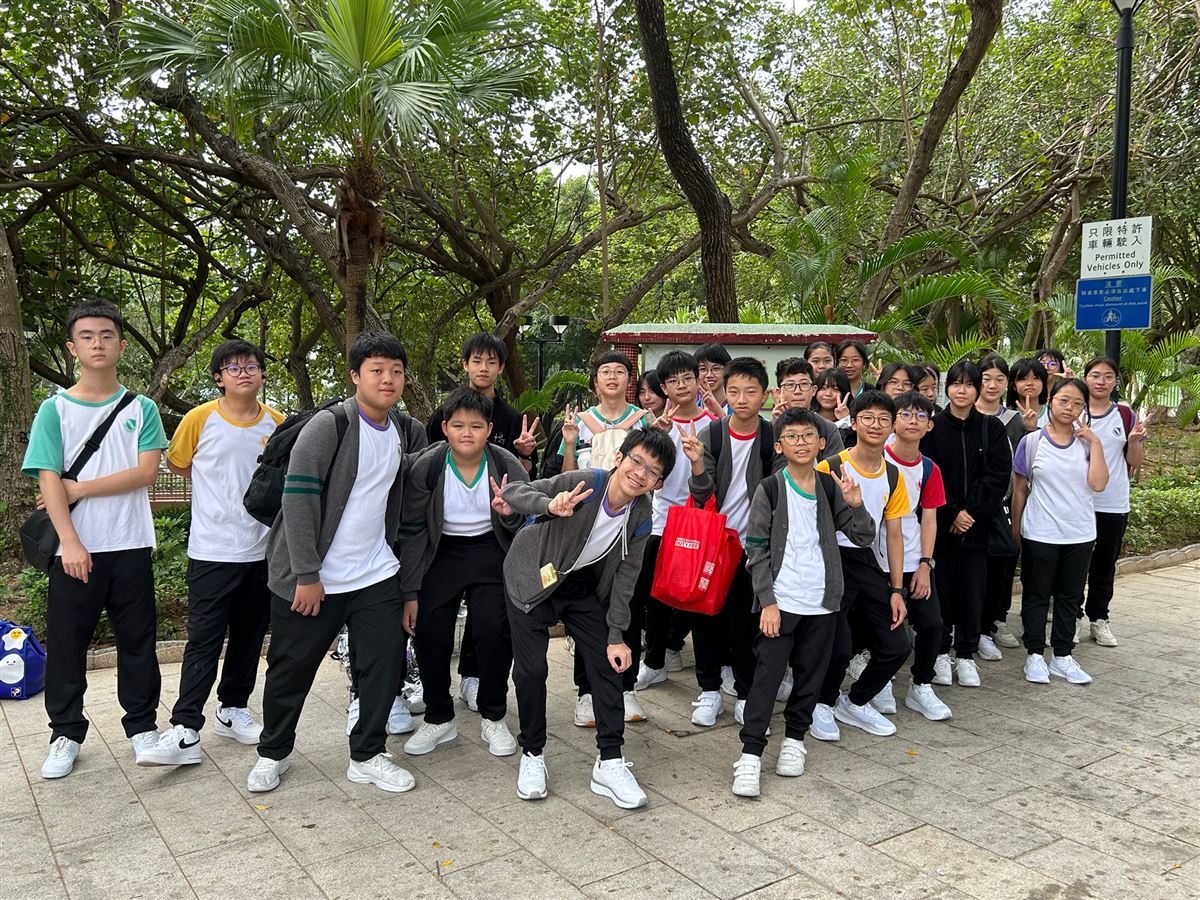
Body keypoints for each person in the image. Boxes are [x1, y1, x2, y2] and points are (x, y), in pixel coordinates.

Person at [248, 331, 417, 794]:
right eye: (377, 370)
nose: (388, 379)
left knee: (383, 665)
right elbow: (298, 499)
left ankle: (367, 754)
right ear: (355, 376)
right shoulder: (330, 425)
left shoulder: (403, 429)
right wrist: (307, 574)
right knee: (291, 668)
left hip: (375, 572)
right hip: (316, 576)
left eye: (396, 371)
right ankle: (273, 752)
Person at [23, 302, 169, 779]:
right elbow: (48, 479)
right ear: (73, 348)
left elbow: (146, 472)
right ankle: (65, 733)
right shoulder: (55, 409)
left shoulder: (141, 408)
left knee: (138, 641)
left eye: (107, 335)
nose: (97, 344)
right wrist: (70, 543)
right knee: (68, 644)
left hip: (130, 543)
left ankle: (142, 727)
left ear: (121, 345)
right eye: (87, 336)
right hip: (75, 549)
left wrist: (81, 487)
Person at [497, 429, 676, 809]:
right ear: (619, 458)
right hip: (530, 577)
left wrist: (616, 635)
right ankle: (532, 753)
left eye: (653, 471)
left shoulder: (641, 515)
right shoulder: (587, 482)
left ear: (658, 483)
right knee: (531, 671)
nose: (641, 474)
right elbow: (515, 492)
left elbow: (626, 580)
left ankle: (609, 761)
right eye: (637, 461)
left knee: (609, 663)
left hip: (578, 586)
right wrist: (550, 505)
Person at [140, 340, 284, 767]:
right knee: (203, 640)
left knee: (249, 636)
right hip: (212, 550)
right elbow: (179, 463)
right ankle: (186, 726)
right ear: (219, 378)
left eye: (251, 366)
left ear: (262, 374)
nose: (244, 373)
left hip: (262, 550)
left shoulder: (276, 423)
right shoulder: (199, 418)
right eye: (233, 368)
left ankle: (232, 708)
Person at [732, 408, 875, 797]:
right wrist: (767, 601)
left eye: (808, 436)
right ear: (779, 446)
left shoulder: (830, 487)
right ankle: (750, 753)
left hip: (823, 602)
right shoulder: (770, 489)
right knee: (767, 677)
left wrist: (856, 503)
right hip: (781, 602)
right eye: (792, 436)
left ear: (821, 443)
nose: (801, 442)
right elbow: (755, 548)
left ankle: (795, 740)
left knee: (811, 676)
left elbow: (863, 537)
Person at [398, 389, 528, 758]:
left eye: (476, 426)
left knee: (493, 631)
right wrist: (410, 591)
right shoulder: (428, 465)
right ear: (444, 428)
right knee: (429, 631)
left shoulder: (505, 463)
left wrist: (508, 514)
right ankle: (439, 718)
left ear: (489, 428)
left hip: (491, 550)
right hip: (442, 553)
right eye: (457, 425)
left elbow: (527, 518)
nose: (466, 433)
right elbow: (412, 531)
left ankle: (494, 715)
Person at [425, 333, 538, 712]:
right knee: (433, 623)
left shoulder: (510, 428)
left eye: (491, 361)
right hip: (444, 544)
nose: (484, 368)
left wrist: (524, 458)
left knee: (491, 622)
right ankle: (435, 704)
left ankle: (482, 691)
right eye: (477, 360)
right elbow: (422, 479)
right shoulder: (439, 426)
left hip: (493, 538)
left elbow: (525, 489)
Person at [684, 357, 775, 726]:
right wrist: (696, 465)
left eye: (750, 392)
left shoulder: (773, 438)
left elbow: (778, 496)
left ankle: (745, 691)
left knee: (746, 624)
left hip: (753, 551)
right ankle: (709, 691)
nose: (741, 399)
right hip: (715, 545)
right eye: (734, 391)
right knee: (706, 618)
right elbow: (701, 494)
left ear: (764, 396)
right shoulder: (713, 435)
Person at [814, 391, 910, 740]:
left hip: (867, 561)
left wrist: (897, 589)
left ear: (893, 426)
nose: (875, 425)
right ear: (853, 423)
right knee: (838, 647)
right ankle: (821, 703)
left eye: (884, 419)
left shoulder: (893, 476)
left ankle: (854, 701)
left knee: (898, 645)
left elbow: (894, 535)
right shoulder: (829, 467)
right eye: (867, 417)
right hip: (830, 560)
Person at [920, 360, 1011, 688]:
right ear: (946, 389)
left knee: (973, 594)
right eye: (956, 384)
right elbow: (926, 474)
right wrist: (952, 513)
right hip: (940, 529)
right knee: (941, 593)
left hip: (977, 529)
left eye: (969, 384)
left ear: (977, 389)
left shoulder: (992, 428)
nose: (962, 390)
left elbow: (998, 477)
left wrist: (971, 514)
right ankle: (940, 653)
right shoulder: (931, 429)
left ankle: (966, 655)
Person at [1011, 378, 1108, 685]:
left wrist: (1096, 443)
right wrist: (1016, 528)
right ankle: (1035, 655)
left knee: (1070, 597)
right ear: (1050, 401)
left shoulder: (1087, 443)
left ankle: (1063, 656)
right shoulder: (1032, 442)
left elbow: (1098, 484)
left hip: (1080, 534)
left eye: (1078, 403)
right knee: (1036, 595)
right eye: (1064, 400)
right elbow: (1019, 490)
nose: (1070, 408)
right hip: (1040, 532)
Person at [634, 351, 721, 691]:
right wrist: (657, 438)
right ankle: (654, 662)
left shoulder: (714, 424)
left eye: (687, 378)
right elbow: (649, 479)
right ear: (664, 388)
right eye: (673, 381)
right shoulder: (659, 427)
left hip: (703, 523)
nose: (681, 385)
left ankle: (709, 670)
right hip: (663, 521)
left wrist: (720, 416)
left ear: (698, 380)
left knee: (699, 593)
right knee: (656, 594)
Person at [885, 392, 952, 721]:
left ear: (930, 425)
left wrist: (925, 564)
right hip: (878, 560)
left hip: (913, 558)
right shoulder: (877, 460)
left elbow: (929, 519)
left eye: (921, 416)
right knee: (884, 627)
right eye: (906, 414)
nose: (913, 421)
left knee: (932, 624)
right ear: (892, 422)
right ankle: (880, 682)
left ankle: (921, 684)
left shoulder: (928, 469)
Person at [1079, 357, 1146, 647]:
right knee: (1075, 565)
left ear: (1116, 381)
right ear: (1085, 378)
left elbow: (1134, 461)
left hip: (1113, 502)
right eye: (1095, 375)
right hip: (1077, 502)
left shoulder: (1125, 413)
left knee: (1104, 565)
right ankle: (1071, 617)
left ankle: (1099, 619)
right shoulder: (1074, 410)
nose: (1101, 381)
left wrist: (1134, 441)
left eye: (1108, 376)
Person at [975, 354, 1025, 658]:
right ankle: (971, 625)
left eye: (999, 379)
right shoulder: (964, 413)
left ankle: (995, 620)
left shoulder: (1014, 419)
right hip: (969, 505)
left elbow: (1018, 467)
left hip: (1001, 504)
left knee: (1001, 566)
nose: (992, 385)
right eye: (986, 379)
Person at [774, 358, 844, 460]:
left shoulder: (828, 428)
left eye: (804, 384)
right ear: (779, 392)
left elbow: (834, 466)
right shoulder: (769, 429)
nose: (797, 391)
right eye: (790, 385)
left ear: (814, 390)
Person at [1009, 357, 1050, 432]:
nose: (1030, 383)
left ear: (1043, 384)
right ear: (1014, 385)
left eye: (1036, 378)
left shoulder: (1053, 415)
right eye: (1023, 379)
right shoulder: (1007, 416)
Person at [695, 342, 732, 417]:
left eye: (716, 368)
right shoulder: (692, 409)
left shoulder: (736, 408)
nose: (709, 375)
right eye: (703, 369)